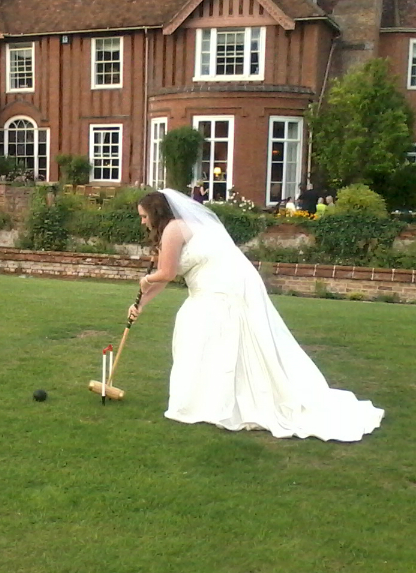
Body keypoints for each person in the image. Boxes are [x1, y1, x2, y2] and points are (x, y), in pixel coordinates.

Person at [128, 189, 384, 442]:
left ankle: (217, 402)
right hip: (213, 290)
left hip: (221, 289)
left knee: (205, 333)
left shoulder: (174, 228)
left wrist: (144, 280)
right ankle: (209, 398)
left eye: (143, 216)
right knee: (202, 335)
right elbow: (165, 274)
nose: (142, 221)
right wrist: (141, 304)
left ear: (156, 212)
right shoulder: (175, 229)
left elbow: (166, 273)